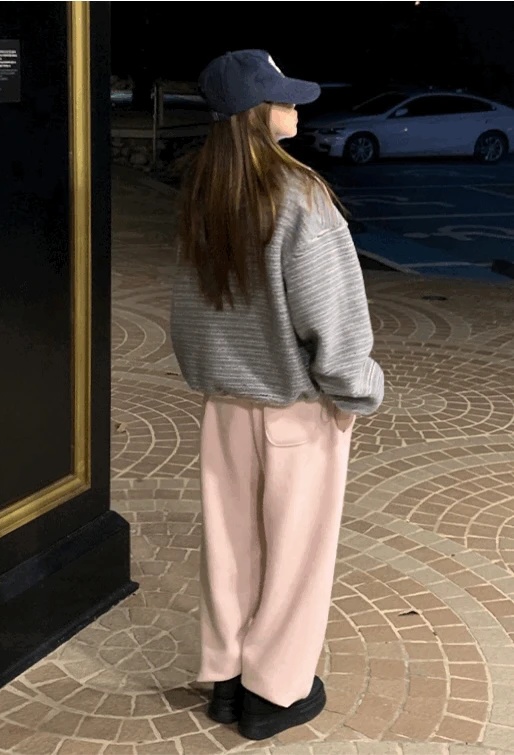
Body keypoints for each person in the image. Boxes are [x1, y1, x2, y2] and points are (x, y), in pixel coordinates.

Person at [170, 49, 384, 741]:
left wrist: (214, 374)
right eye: (282, 96)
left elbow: (187, 317)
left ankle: (227, 681)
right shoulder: (300, 195)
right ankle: (275, 693)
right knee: (296, 557)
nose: (295, 105)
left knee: (231, 549)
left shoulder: (206, 192)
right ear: (256, 112)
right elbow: (334, 321)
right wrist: (358, 390)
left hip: (224, 407)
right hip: (296, 408)